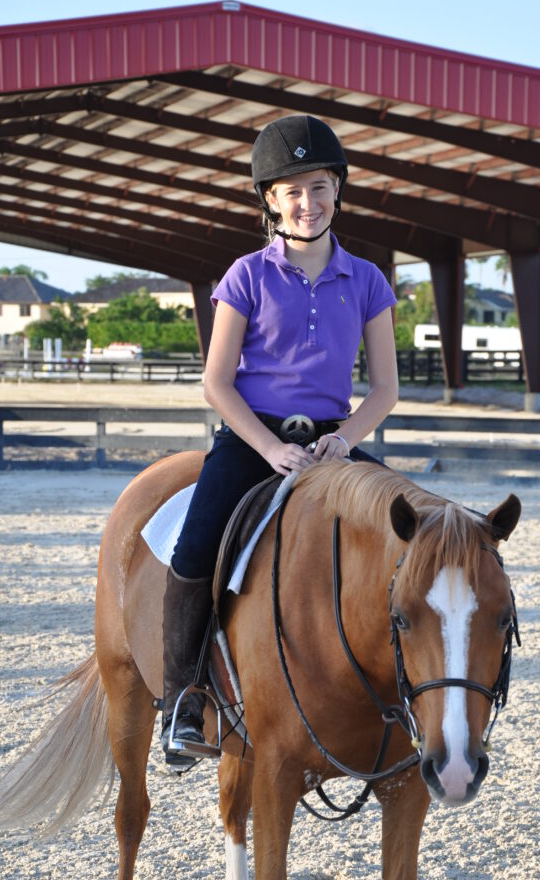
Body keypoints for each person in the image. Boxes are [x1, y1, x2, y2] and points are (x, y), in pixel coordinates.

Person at [161, 114, 398, 769]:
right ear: (270, 199)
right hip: (254, 438)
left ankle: (402, 685)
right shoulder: (245, 276)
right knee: (197, 544)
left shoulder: (370, 281)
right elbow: (217, 383)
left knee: (409, 530)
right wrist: (268, 450)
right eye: (292, 191)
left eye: (318, 187)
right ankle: (181, 702)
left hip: (333, 443)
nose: (307, 202)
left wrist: (346, 442)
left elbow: (384, 390)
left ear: (337, 190)